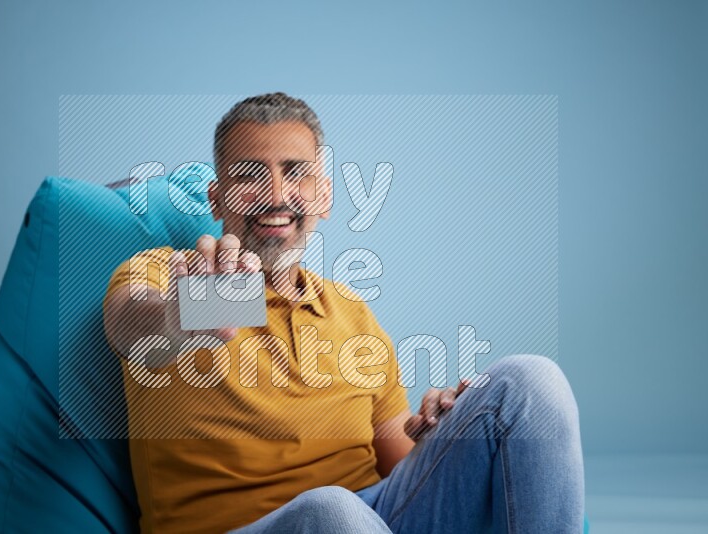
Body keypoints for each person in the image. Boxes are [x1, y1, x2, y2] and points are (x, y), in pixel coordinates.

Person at [102, 92, 584, 533]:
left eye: (295, 172)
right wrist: (185, 314)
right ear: (216, 198)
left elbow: (404, 469)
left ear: (324, 196)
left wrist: (442, 432)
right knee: (331, 512)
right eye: (248, 175)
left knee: (529, 381)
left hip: (371, 515)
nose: (275, 194)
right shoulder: (171, 273)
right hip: (259, 526)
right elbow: (130, 326)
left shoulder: (352, 314)